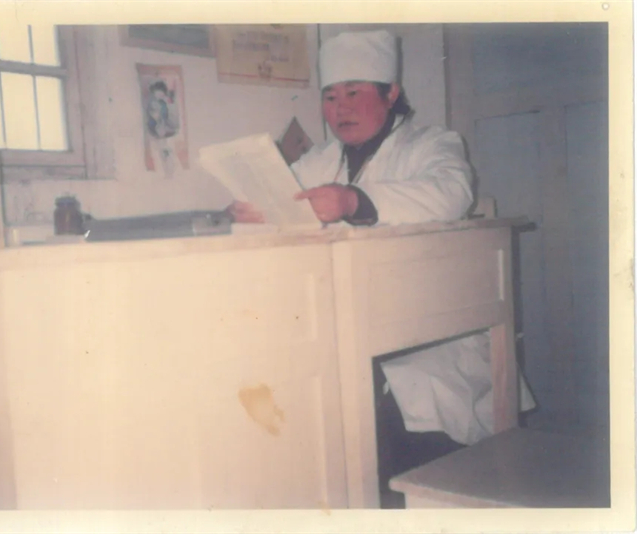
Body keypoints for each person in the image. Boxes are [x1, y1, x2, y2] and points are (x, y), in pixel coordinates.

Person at [228, 30, 535, 508]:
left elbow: (451, 194)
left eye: (354, 92)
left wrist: (355, 201)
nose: (340, 108)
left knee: (374, 425)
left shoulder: (433, 144)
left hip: (432, 344)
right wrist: (253, 211)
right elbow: (281, 201)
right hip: (346, 326)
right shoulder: (319, 160)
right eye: (331, 96)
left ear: (391, 93)